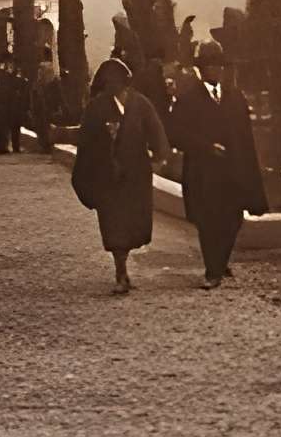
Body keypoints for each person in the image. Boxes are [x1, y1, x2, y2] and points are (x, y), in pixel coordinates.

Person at [169, 53, 268, 288]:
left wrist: (250, 170)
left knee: (233, 219)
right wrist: (206, 147)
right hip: (204, 173)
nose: (214, 70)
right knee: (208, 220)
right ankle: (212, 270)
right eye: (209, 67)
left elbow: (246, 137)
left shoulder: (235, 97)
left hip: (233, 171)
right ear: (201, 71)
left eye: (218, 66)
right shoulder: (188, 100)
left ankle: (221, 259)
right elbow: (176, 134)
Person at [76, 57, 172, 294]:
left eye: (119, 83)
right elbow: (86, 143)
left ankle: (123, 263)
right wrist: (89, 171)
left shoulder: (140, 105)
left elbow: (156, 130)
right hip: (107, 176)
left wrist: (160, 157)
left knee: (133, 224)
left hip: (136, 175)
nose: (117, 88)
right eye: (111, 84)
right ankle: (121, 270)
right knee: (113, 224)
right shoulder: (97, 108)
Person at [0, 62, 22, 154]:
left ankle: (0, 147)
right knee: (7, 127)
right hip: (6, 106)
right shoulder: (10, 78)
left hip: (0, 106)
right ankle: (7, 147)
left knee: (2, 128)